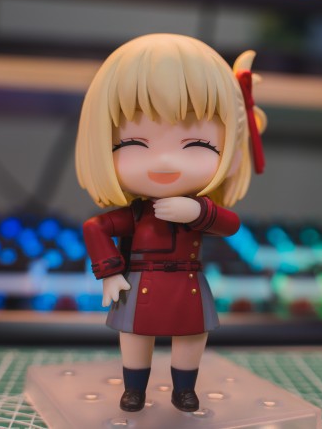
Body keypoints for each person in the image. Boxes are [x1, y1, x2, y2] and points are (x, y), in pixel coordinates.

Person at [75, 33, 266, 412]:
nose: (164, 162)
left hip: (187, 282)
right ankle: (134, 390)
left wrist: (198, 213)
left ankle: (184, 390)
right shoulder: (136, 213)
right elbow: (95, 227)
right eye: (132, 144)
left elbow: (230, 225)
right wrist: (110, 273)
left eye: (198, 145)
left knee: (192, 335)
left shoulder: (200, 210)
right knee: (134, 335)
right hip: (139, 282)